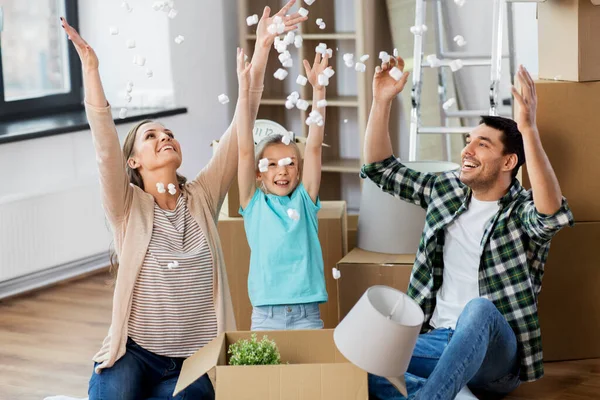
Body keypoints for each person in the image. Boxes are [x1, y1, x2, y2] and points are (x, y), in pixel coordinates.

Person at [60, 2, 306, 398]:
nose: (164, 137)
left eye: (168, 132)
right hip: (135, 354)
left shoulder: (203, 197)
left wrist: (262, 47)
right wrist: (91, 71)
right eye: (151, 136)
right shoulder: (127, 208)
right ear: (134, 161)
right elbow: (105, 148)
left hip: (196, 358)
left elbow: (242, 123)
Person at [364, 56, 574, 399]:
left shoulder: (521, 211)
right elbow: (380, 169)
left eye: (482, 144)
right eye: (468, 139)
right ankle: (453, 392)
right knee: (363, 356)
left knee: (478, 309)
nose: (467, 150)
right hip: (435, 340)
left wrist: (528, 129)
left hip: (495, 357)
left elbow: (551, 214)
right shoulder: (445, 190)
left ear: (509, 162)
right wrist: (382, 100)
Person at [237, 52, 330, 331]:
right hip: (265, 315)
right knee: (263, 376)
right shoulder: (253, 204)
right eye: (272, 164)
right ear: (258, 173)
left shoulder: (305, 200)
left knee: (310, 376)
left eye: (290, 163)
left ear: (299, 170)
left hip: (306, 314)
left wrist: (319, 89)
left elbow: (313, 146)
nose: (283, 170)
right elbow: (243, 151)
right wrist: (243, 91)